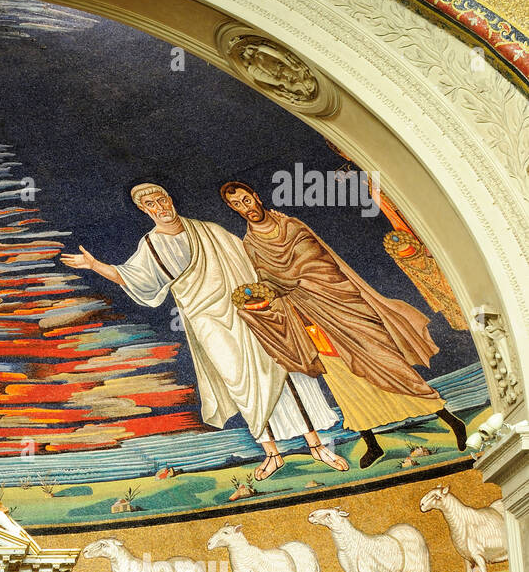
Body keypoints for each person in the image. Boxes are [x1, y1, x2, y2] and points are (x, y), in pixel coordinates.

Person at [61, 183, 345, 479]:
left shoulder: (208, 230)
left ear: (170, 199)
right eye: (151, 205)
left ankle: (316, 446)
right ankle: (272, 453)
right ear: (144, 211)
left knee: (280, 369)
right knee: (240, 382)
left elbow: (250, 259)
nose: (160, 207)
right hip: (207, 321)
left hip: (247, 310)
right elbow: (131, 277)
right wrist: (94, 265)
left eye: (161, 200)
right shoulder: (151, 245)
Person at [219, 181, 465, 468]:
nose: (245, 208)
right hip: (309, 318)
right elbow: (268, 281)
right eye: (237, 205)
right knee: (342, 380)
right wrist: (262, 300)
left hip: (341, 306)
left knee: (385, 361)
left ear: (256, 196)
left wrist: (288, 283)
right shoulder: (251, 245)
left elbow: (319, 265)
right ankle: (372, 444)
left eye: (246, 200)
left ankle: (450, 419)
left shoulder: (292, 228)